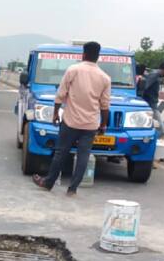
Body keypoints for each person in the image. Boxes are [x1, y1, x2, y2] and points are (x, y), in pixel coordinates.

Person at [32, 41, 111, 197]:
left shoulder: (73, 70)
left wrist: (55, 113)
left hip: (70, 121)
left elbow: (60, 94)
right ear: (98, 56)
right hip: (90, 125)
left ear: (84, 54)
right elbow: (105, 105)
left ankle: (48, 183)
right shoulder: (105, 78)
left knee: (61, 153)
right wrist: (103, 124)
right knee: (83, 156)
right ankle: (72, 189)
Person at [139, 61, 164, 138]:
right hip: (150, 105)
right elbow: (144, 87)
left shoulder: (155, 74)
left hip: (151, 104)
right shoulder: (154, 75)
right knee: (162, 130)